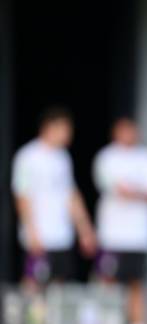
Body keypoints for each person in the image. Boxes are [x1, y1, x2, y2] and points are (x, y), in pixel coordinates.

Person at [93, 118, 147, 324]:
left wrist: (137, 192)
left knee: (137, 286)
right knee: (108, 285)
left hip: (140, 237)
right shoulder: (107, 158)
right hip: (112, 236)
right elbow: (119, 190)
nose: (128, 134)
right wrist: (143, 192)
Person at [12, 106, 97, 289]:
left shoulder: (63, 158)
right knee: (33, 283)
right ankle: (29, 319)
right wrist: (31, 232)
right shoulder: (28, 156)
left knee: (59, 285)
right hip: (39, 235)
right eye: (64, 129)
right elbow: (22, 196)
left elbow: (71, 196)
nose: (68, 134)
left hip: (61, 235)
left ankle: (52, 319)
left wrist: (84, 230)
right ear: (49, 127)